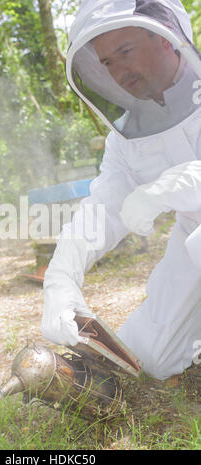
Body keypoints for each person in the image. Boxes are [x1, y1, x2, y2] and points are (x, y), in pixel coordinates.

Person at [41, 0, 201, 380]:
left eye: (125, 51)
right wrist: (61, 277)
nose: (118, 70)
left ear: (166, 39)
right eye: (107, 62)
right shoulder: (129, 136)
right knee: (149, 359)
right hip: (191, 236)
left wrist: (170, 188)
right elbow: (102, 209)